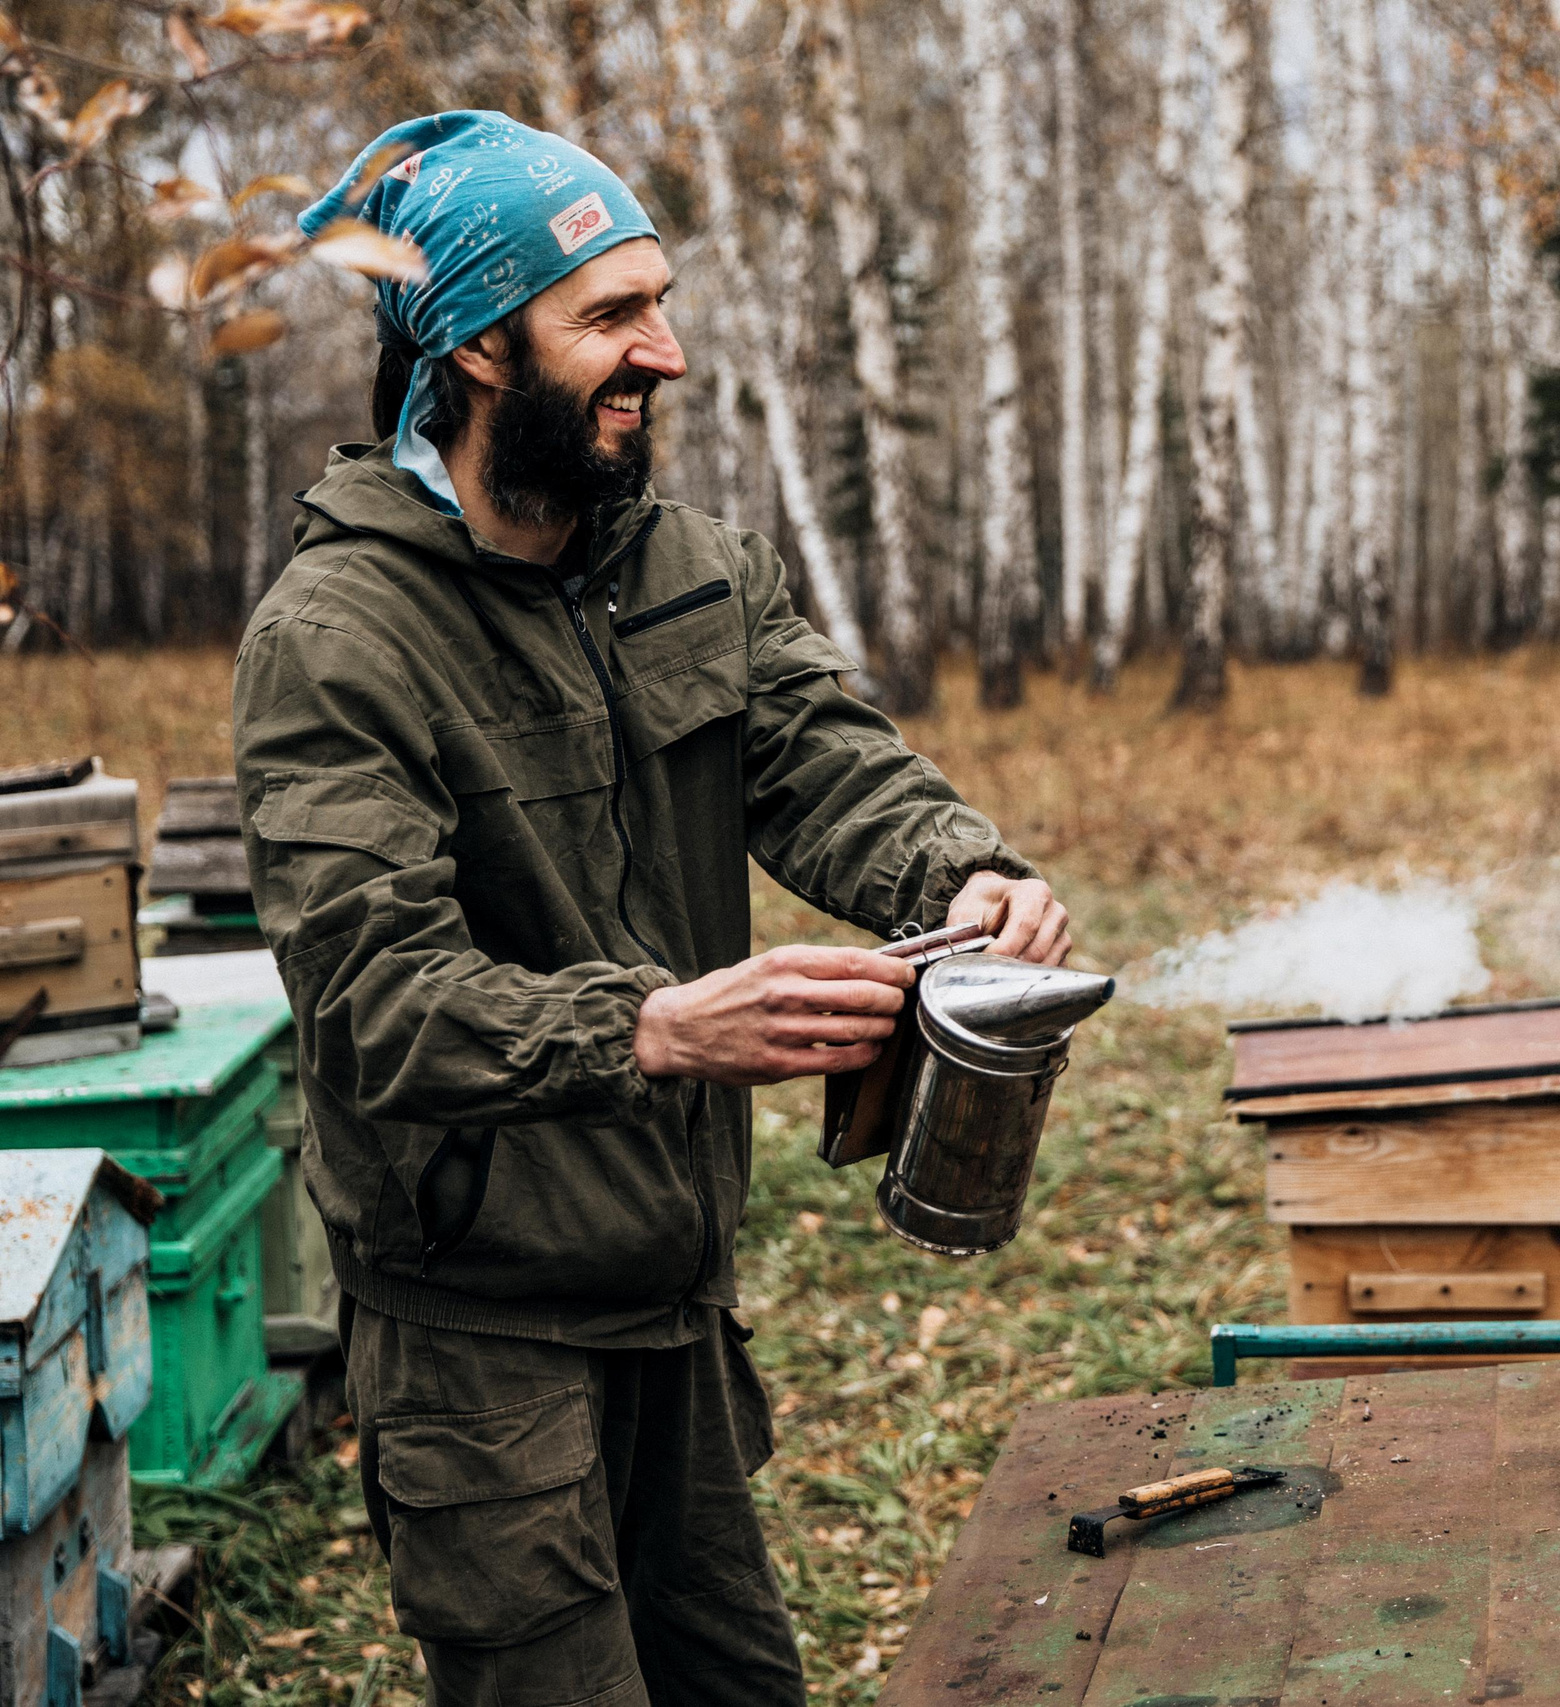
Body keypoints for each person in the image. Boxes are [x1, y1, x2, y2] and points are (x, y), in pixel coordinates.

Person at [234, 112, 1068, 1707]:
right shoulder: (336, 637)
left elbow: (830, 766)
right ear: (477, 345)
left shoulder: (691, 567)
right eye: (612, 316)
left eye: (662, 305)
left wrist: (963, 872)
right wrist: (658, 1026)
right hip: (480, 1348)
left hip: (676, 1310)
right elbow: (369, 999)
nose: (665, 355)